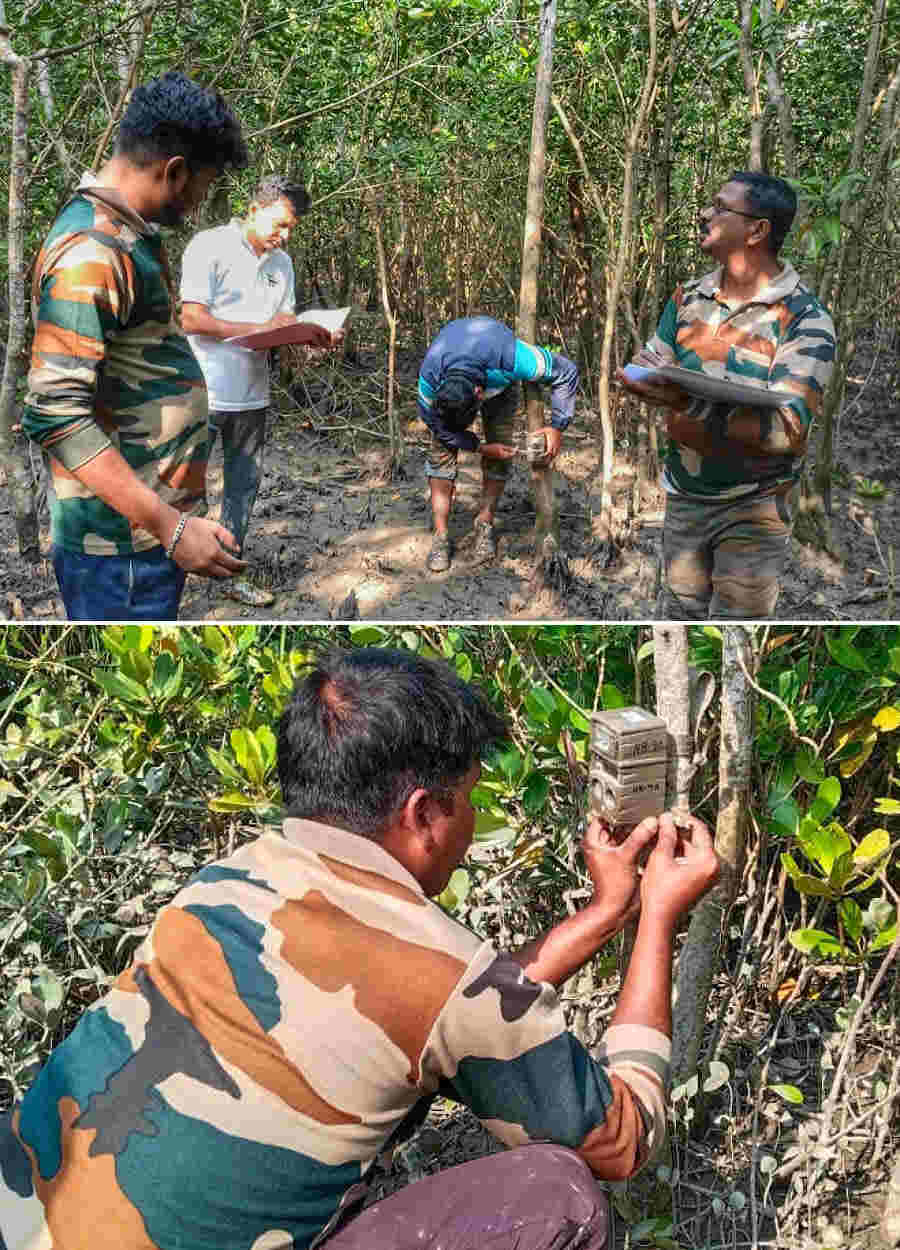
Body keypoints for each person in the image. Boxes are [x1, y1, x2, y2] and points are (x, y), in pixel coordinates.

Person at [0, 646, 720, 1250]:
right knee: (559, 1197)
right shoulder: (440, 975)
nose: (472, 820)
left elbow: (436, 1011)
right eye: (469, 797)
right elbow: (621, 1143)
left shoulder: (227, 881)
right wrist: (655, 919)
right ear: (423, 814)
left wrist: (606, 912)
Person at [22, 71, 250, 621]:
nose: (200, 203)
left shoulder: (125, 237)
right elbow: (56, 414)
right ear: (174, 172)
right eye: (205, 185)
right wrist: (171, 529)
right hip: (118, 550)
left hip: (142, 537)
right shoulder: (91, 254)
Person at [618, 171, 836, 619]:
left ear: (757, 230)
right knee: (678, 619)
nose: (705, 214)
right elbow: (651, 361)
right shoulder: (689, 298)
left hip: (754, 510)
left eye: (720, 208)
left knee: (738, 629)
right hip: (683, 500)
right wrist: (640, 376)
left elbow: (787, 431)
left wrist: (685, 402)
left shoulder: (804, 319)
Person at [180, 175, 335, 608]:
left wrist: (311, 334)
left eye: (290, 230)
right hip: (202, 392)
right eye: (279, 225)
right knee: (184, 486)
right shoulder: (209, 247)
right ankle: (170, 576)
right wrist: (251, 330)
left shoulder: (281, 264)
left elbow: (281, 324)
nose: (283, 236)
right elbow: (191, 318)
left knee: (243, 486)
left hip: (253, 395)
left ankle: (228, 572)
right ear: (254, 209)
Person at [417, 315, 579, 572]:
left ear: (479, 394)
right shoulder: (430, 380)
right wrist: (479, 447)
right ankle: (440, 536)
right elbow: (438, 427)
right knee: (440, 459)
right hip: (460, 376)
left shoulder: (513, 358)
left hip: (499, 386)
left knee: (500, 454)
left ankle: (485, 522)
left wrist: (558, 426)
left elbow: (567, 371)